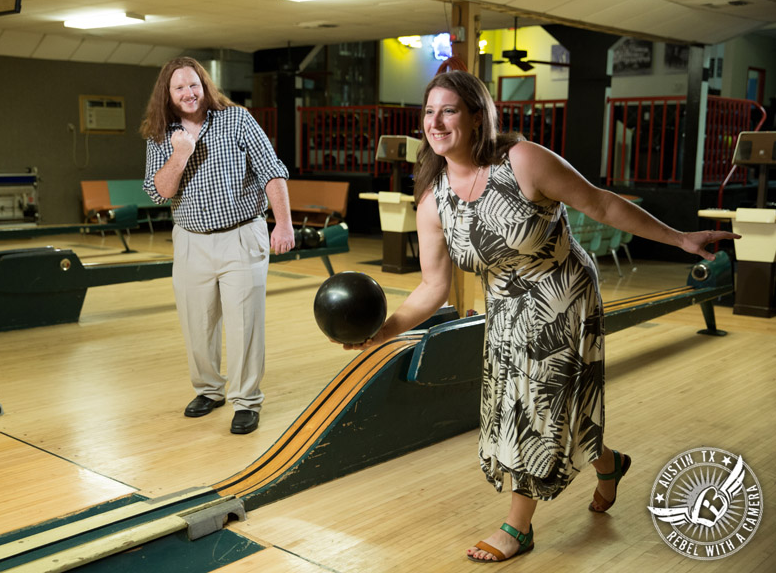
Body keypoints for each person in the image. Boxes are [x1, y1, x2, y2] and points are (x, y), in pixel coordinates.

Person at [345, 71, 739, 562]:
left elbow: (601, 204)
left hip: (563, 294)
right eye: (428, 112)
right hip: (506, 306)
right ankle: (609, 464)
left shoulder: (523, 161)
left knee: (532, 408)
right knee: (528, 405)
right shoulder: (433, 198)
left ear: (475, 117)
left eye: (448, 110)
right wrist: (384, 331)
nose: (436, 121)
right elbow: (432, 287)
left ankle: (518, 528)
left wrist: (681, 239)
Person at [141, 57, 294, 435]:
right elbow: (160, 191)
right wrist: (181, 153)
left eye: (193, 84)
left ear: (204, 85)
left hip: (242, 235)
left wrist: (284, 224)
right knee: (197, 323)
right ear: (168, 94)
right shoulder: (160, 135)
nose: (188, 93)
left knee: (244, 324)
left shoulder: (237, 119)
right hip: (191, 241)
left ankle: (246, 401)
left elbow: (271, 171)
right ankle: (209, 391)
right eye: (179, 88)